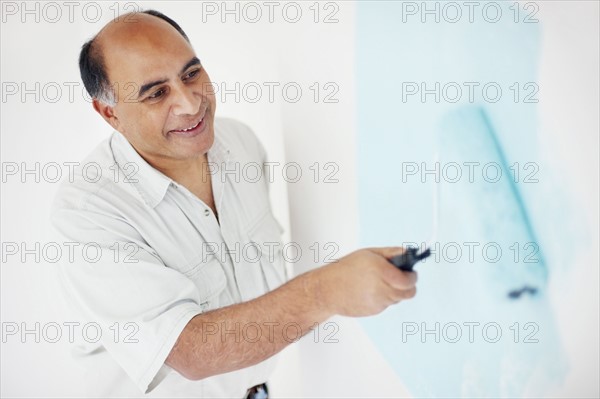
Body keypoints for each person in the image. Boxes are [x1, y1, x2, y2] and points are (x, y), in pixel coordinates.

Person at [50, 9, 418, 398]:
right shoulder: (88, 215)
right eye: (157, 93)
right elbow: (190, 351)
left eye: (191, 73)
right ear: (110, 113)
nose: (191, 105)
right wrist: (327, 291)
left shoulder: (240, 144)